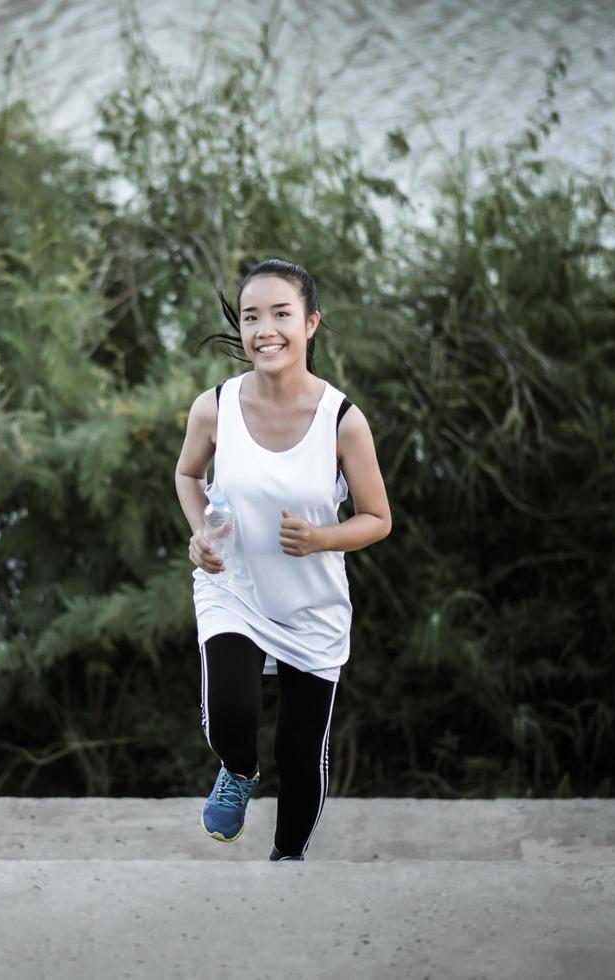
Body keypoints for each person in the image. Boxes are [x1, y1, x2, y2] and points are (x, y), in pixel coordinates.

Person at [172, 258, 392, 861]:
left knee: (300, 754)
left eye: (280, 314)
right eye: (251, 316)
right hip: (233, 585)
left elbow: (379, 518)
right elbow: (188, 473)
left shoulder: (342, 421)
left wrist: (322, 538)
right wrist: (201, 534)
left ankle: (287, 865)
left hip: (310, 603)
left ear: (310, 324)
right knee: (230, 720)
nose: (264, 328)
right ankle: (238, 772)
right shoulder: (214, 406)